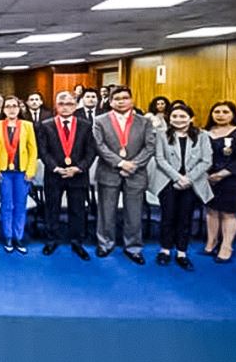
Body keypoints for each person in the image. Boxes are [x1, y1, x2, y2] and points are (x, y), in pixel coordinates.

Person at [93, 86, 155, 265]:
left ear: (132, 100)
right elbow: (99, 146)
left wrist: (133, 165)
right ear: (111, 102)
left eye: (125, 98)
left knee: (134, 213)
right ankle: (105, 243)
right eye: (117, 99)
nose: (121, 101)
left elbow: (150, 146)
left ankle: (133, 247)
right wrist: (121, 163)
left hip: (135, 173)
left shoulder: (144, 122)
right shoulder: (100, 120)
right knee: (106, 212)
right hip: (109, 171)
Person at [150, 104, 212, 271]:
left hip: (192, 183)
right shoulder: (162, 134)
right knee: (168, 216)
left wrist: (188, 179)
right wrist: (178, 178)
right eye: (174, 116)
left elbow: (207, 161)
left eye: (183, 116)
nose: (178, 119)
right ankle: (165, 250)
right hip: (168, 181)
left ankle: (181, 252)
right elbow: (160, 159)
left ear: (191, 118)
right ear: (169, 119)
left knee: (185, 217)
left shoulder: (202, 135)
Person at [38, 92, 96, 260]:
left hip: (77, 175)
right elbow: (43, 151)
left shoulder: (85, 125)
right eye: (61, 104)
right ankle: (52, 240)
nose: (65, 107)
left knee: (77, 210)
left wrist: (79, 168)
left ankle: (77, 242)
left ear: (75, 106)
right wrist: (55, 168)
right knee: (52, 209)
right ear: (56, 106)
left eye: (69, 104)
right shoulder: (46, 125)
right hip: (54, 175)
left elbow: (90, 151)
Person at [203, 101, 236, 263]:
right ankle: (211, 241)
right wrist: (205, 174)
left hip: (232, 179)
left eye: (225, 112)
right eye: (217, 112)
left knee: (228, 213)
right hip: (207, 179)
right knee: (211, 211)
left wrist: (221, 174)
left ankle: (226, 246)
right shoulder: (205, 132)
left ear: (233, 114)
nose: (220, 115)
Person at [0, 96, 38, 253]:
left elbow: (33, 150)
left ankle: (19, 236)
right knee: (7, 205)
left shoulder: (27, 126)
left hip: (22, 173)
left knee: (20, 205)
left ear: (19, 108)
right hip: (3, 173)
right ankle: (8, 236)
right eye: (8, 106)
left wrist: (30, 171)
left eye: (14, 106)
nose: (11, 109)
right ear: (3, 109)